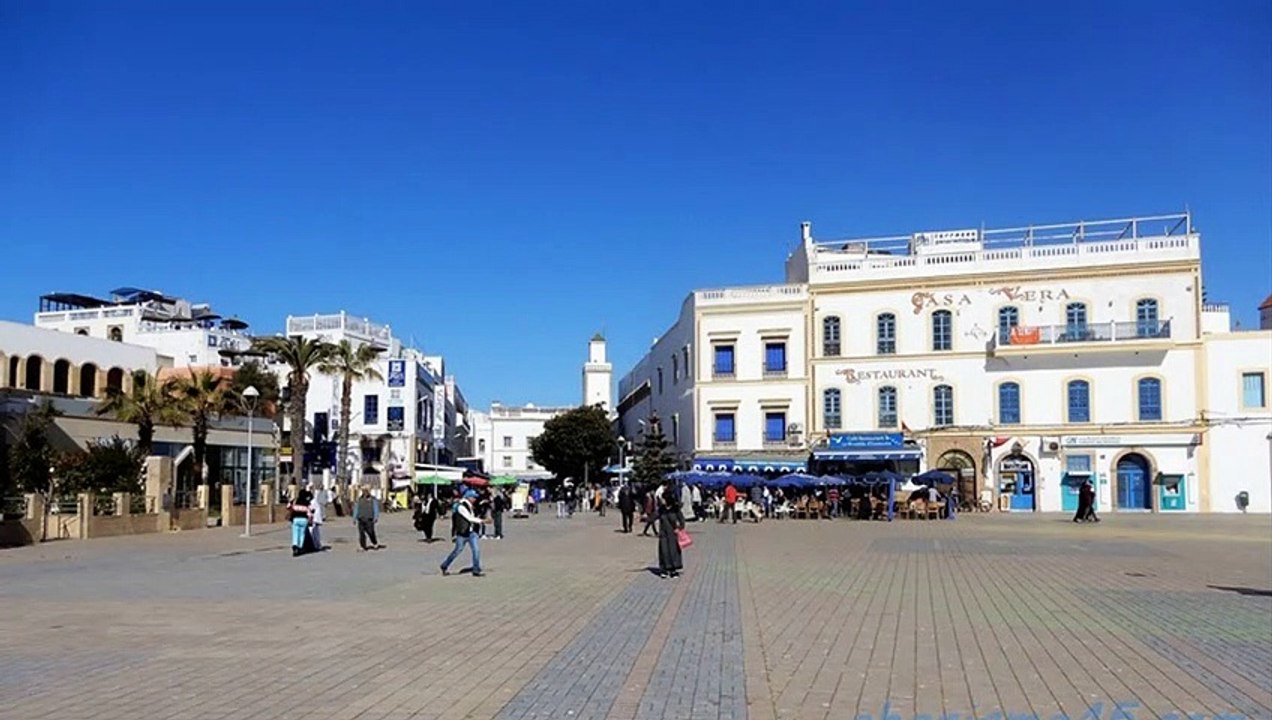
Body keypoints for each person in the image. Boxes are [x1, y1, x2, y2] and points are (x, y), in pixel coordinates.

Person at [440, 489, 484, 577]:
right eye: (473, 497)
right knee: (457, 551)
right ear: (468, 497)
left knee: (476, 550)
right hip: (463, 533)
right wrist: (482, 521)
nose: (475, 499)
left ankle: (476, 569)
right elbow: (469, 518)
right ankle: (444, 565)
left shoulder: (471, 506)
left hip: (472, 532)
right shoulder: (461, 506)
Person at [655, 479, 686, 579]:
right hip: (663, 534)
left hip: (673, 535)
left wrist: (679, 528)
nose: (662, 500)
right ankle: (664, 570)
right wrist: (644, 517)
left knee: (673, 552)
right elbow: (654, 516)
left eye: (663, 498)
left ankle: (673, 570)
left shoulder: (675, 509)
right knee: (664, 552)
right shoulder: (662, 509)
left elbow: (682, 521)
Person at [352, 486, 383, 551]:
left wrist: (376, 517)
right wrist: (354, 518)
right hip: (361, 518)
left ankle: (374, 542)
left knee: (370, 532)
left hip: (369, 518)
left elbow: (375, 509)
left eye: (366, 490)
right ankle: (363, 546)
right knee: (361, 533)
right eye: (363, 490)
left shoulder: (373, 499)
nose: (365, 492)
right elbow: (356, 509)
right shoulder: (359, 499)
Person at [288, 488, 313, 557]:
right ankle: (300, 547)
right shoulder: (306, 503)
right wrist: (310, 521)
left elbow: (288, 507)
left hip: (295, 519)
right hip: (304, 520)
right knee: (302, 534)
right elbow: (310, 514)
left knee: (295, 533)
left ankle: (295, 546)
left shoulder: (295, 502)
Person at [308, 485, 326, 550]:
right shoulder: (314, 500)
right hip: (314, 519)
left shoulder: (313, 502)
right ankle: (316, 545)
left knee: (313, 533)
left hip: (314, 520)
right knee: (315, 533)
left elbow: (312, 510)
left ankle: (315, 545)